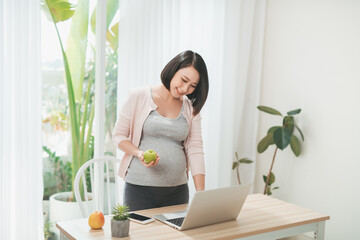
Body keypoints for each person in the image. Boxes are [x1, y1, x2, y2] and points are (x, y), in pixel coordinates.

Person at [112, 50, 209, 211]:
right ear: (173, 69)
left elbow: (195, 148)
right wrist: (139, 153)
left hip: (177, 191)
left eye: (192, 86)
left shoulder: (190, 108)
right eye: (184, 80)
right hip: (139, 189)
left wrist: (201, 194)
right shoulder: (139, 96)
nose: (185, 89)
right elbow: (118, 136)